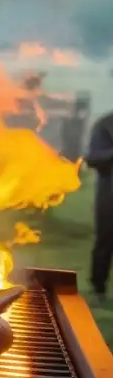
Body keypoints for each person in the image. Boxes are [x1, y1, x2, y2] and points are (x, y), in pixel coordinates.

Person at [85, 110, 113, 298]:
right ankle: (98, 287)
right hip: (110, 194)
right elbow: (93, 158)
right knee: (106, 241)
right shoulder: (106, 124)